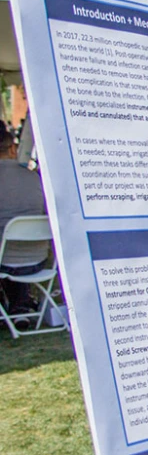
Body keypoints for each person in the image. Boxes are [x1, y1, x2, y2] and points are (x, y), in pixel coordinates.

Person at [0, 126, 47, 324]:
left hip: (5, 262)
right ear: (12, 149)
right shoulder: (35, 178)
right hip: (38, 262)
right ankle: (21, 304)